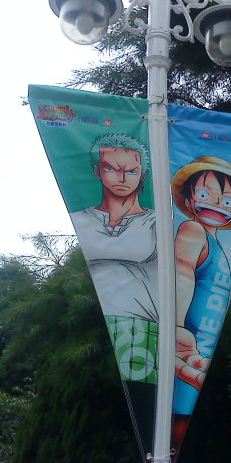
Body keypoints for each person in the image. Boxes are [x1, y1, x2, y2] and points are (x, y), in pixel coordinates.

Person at [171, 156, 231, 409]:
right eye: (204, 195)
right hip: (184, 345)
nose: (217, 204)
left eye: (227, 201)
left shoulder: (216, 247)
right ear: (189, 201)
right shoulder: (193, 230)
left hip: (198, 353)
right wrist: (176, 326)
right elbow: (181, 272)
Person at [70, 134, 158, 322]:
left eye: (132, 171)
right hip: (90, 322)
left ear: (142, 176)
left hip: (147, 325)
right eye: (111, 169)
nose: (122, 178)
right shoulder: (79, 219)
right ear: (97, 171)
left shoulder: (158, 224)